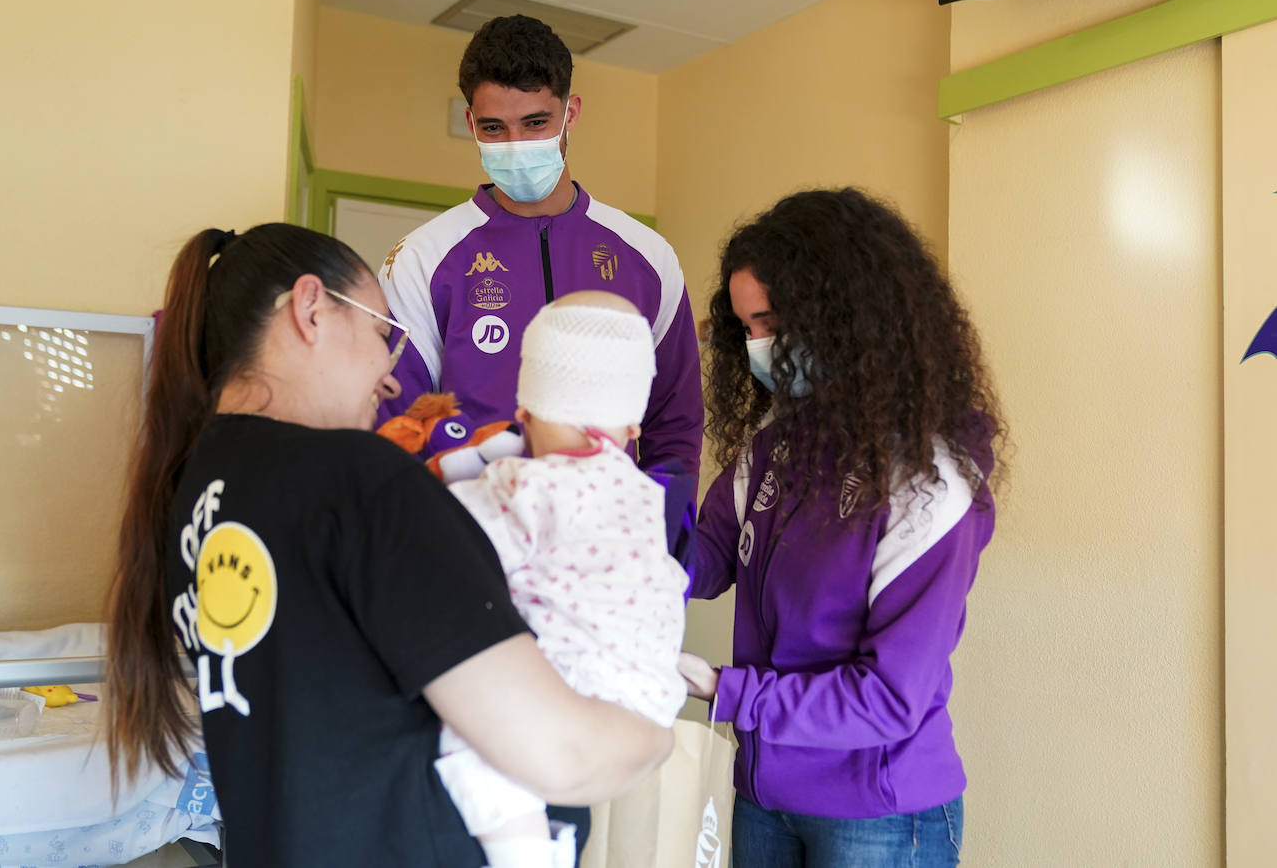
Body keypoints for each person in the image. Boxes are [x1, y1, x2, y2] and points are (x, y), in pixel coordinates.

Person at [103, 223, 672, 868]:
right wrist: (656, 733)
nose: (393, 379)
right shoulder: (359, 480)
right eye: (383, 334)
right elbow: (560, 753)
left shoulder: (198, 486)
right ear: (311, 308)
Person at [676, 189, 1007, 867]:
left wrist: (722, 689)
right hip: (762, 794)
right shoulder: (776, 440)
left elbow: (887, 700)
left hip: (876, 811)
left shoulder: (929, 482)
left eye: (771, 322)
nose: (759, 347)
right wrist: (619, 549)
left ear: (847, 316)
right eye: (746, 328)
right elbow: (707, 553)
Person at [378, 14, 703, 481]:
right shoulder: (422, 259)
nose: (516, 145)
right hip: (467, 519)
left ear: (570, 113)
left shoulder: (648, 258)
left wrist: (663, 521)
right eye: (494, 128)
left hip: (607, 523)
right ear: (471, 123)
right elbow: (398, 425)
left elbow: (674, 425)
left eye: (535, 123)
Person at [438, 291, 689, 867]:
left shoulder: (525, 484)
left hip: (570, 685)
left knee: (467, 741)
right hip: (651, 691)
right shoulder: (645, 495)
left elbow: (455, 537)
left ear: (524, 412)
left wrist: (455, 475)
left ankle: (524, 853)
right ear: (633, 424)